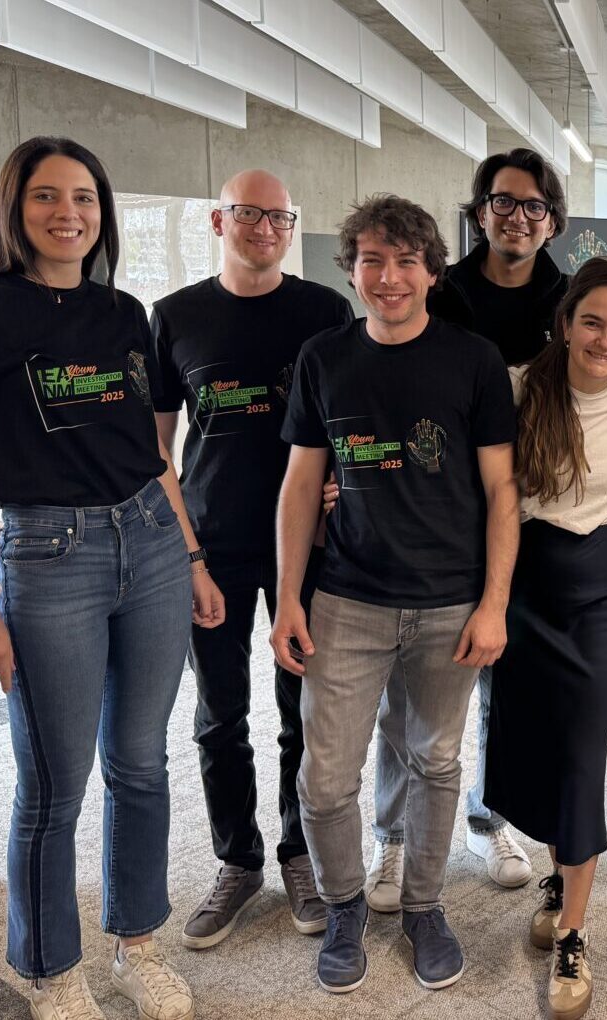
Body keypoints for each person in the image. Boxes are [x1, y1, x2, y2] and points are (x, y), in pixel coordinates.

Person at [0, 136, 224, 1020]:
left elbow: (151, 453)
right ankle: (52, 973)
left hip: (151, 542)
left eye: (84, 197)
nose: (68, 213)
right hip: (50, 557)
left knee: (141, 763)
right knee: (55, 783)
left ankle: (136, 947)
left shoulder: (124, 313)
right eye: (46, 196)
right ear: (14, 208)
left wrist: (192, 556)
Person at [271, 195, 519, 995]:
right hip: (347, 599)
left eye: (406, 261)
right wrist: (288, 598)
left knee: (436, 762)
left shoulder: (474, 361)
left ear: (432, 272)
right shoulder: (323, 358)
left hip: (450, 603)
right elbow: (300, 484)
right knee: (324, 780)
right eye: (372, 260)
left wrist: (494, 604)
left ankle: (423, 907)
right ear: (350, 270)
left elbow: (502, 490)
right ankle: (345, 907)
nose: (389, 277)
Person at [150, 170, 352, 949]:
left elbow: (352, 417)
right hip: (215, 548)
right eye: (248, 214)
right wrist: (188, 556)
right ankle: (238, 860)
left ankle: (300, 853)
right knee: (219, 718)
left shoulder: (324, 311)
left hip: (309, 547)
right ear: (218, 221)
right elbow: (157, 451)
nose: (265, 228)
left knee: (304, 713)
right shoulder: (175, 317)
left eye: (279, 216)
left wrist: (342, 479)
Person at [367, 148, 567, 903]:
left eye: (534, 205)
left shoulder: (567, 302)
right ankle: (391, 837)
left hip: (534, 513)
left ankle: (493, 819)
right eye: (503, 201)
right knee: (411, 688)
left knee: (503, 681)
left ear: (552, 222)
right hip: (439, 514)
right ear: (480, 211)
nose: (518, 217)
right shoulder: (439, 293)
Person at [483, 257, 607, 1020]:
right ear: (565, 322)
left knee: (582, 757)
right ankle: (559, 878)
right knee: (539, 750)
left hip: (603, 590)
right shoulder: (520, 387)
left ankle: (574, 935)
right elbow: (484, 489)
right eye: (593, 322)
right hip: (527, 588)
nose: (606, 341)